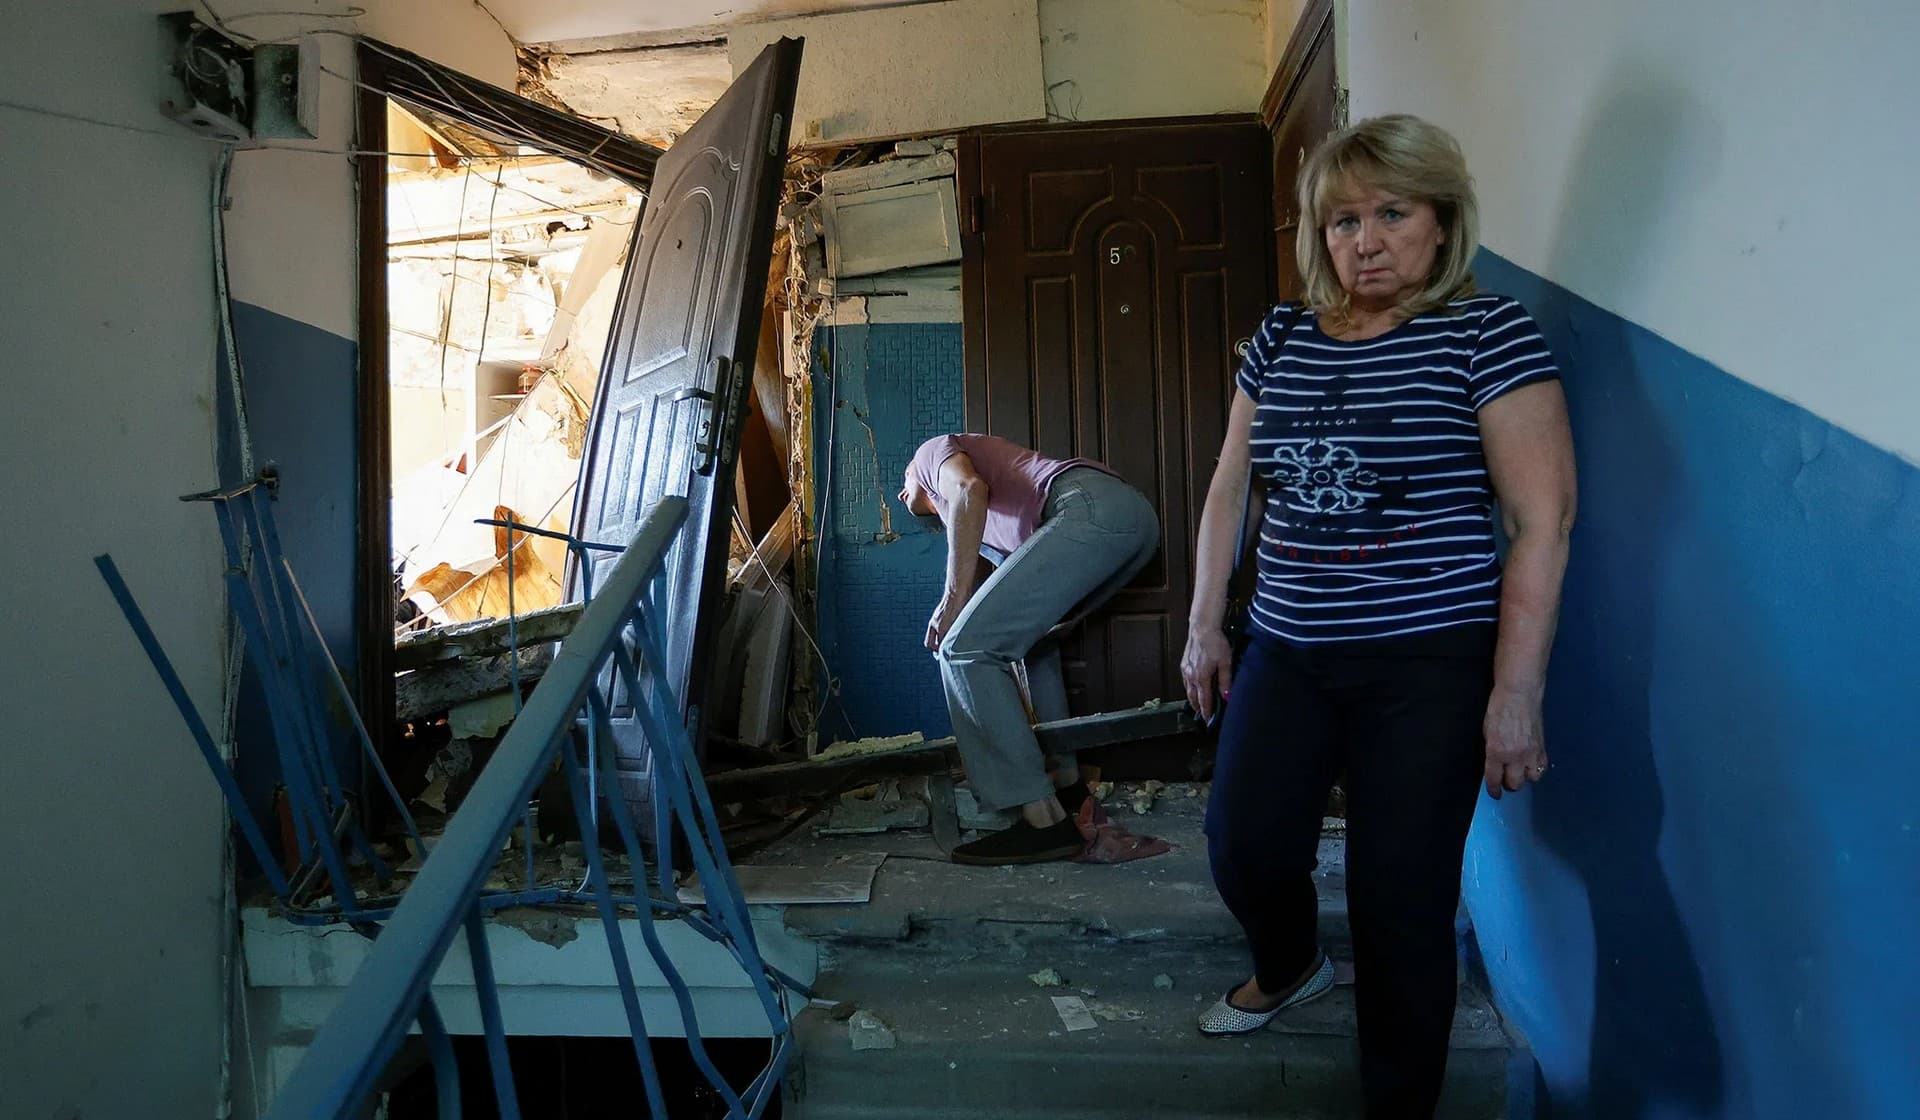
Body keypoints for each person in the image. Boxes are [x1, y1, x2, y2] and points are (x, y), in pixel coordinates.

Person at [1182, 114, 1576, 1117]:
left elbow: (1542, 519)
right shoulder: (1278, 337)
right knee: (1244, 843)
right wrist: (1204, 623)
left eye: (1391, 213)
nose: (1364, 240)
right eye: (1342, 219)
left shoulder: (1487, 333)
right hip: (1290, 646)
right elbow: (1231, 488)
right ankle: (1291, 965)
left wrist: (1515, 693)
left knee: (1400, 901)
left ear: (1442, 222)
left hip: (1428, 663)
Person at [899, 433, 1160, 866]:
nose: (903, 495)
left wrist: (952, 600)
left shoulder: (927, 455)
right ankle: (1068, 788)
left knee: (962, 650)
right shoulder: (989, 528)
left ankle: (1043, 823)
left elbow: (967, 489)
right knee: (1033, 648)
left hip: (1087, 507)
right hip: (1129, 522)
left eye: (905, 489)